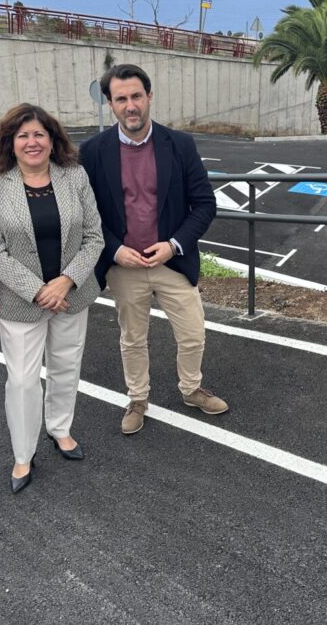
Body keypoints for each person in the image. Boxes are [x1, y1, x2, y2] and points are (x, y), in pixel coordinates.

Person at [80, 63, 226, 435]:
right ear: (110, 104)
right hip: (125, 265)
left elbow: (205, 204)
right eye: (121, 98)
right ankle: (138, 397)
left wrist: (173, 244)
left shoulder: (179, 145)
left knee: (193, 333)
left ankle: (191, 389)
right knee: (132, 338)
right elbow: (87, 213)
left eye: (136, 96)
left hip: (171, 261)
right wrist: (114, 250)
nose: (131, 106)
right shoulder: (93, 151)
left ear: (149, 97)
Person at [0, 103, 104, 494]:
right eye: (23, 136)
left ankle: (60, 429)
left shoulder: (75, 176)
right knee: (23, 381)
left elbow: (94, 237)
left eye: (39, 134)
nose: (32, 142)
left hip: (72, 295)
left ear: (52, 140)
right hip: (20, 302)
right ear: (10, 143)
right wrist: (38, 290)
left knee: (67, 366)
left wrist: (65, 281)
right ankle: (22, 453)